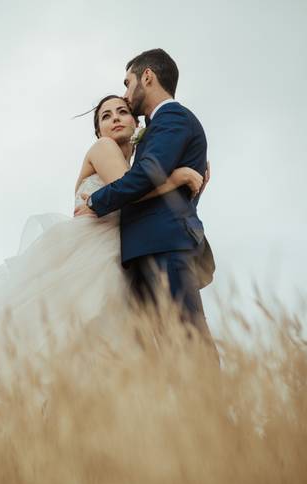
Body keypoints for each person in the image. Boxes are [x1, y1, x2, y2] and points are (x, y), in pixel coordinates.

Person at [0, 94, 207, 356]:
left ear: (135, 122)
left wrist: (194, 186)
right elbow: (128, 190)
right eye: (106, 116)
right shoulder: (104, 148)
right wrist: (178, 178)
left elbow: (141, 195)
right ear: (98, 130)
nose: (115, 118)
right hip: (90, 257)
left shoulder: (136, 167)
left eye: (122, 112)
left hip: (119, 258)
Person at [75, 49, 216, 352]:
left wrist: (97, 201)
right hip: (136, 254)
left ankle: (208, 399)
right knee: (168, 348)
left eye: (128, 84)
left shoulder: (172, 118)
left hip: (161, 248)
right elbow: (146, 182)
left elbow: (142, 180)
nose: (126, 97)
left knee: (186, 342)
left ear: (147, 77)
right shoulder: (122, 143)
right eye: (107, 115)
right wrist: (180, 179)